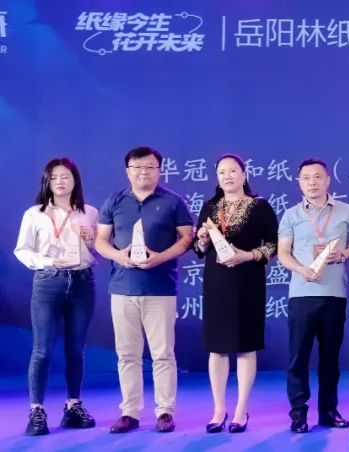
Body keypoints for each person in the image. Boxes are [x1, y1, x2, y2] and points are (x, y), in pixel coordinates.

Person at [95, 146, 194, 433]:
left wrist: (161, 257)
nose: (143, 172)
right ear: (127, 171)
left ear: (159, 170)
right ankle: (129, 412)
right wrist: (118, 256)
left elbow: (186, 238)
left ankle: (165, 412)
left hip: (160, 288)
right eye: (137, 167)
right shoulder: (115, 200)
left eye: (150, 167)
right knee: (127, 354)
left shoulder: (173, 201)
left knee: (163, 354)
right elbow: (100, 241)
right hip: (122, 288)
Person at [276, 158, 349, 433]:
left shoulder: (346, 211)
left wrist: (344, 254)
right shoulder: (291, 215)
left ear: (327, 180)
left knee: (330, 357)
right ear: (299, 183)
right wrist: (301, 269)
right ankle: (298, 412)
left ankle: (328, 410)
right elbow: (283, 253)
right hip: (301, 294)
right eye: (306, 178)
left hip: (334, 294)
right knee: (298, 357)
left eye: (317, 177)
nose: (311, 182)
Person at [193, 154, 278, 433]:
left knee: (245, 345)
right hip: (216, 282)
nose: (227, 176)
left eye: (232, 171)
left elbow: (275, 244)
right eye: (221, 172)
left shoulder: (259, 206)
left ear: (244, 174)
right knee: (217, 348)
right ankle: (219, 410)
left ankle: (241, 409)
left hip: (247, 281)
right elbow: (198, 249)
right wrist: (202, 240)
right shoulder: (209, 206)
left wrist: (249, 255)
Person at [15, 158, 99, 436]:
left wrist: (91, 238)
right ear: (46, 182)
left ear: (75, 180)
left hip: (82, 282)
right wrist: (48, 262)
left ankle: (73, 406)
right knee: (42, 349)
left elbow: (100, 250)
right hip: (48, 282)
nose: (60, 181)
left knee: (76, 349)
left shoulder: (90, 212)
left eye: (65, 176)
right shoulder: (34, 214)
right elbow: (22, 250)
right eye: (54, 177)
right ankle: (36, 410)